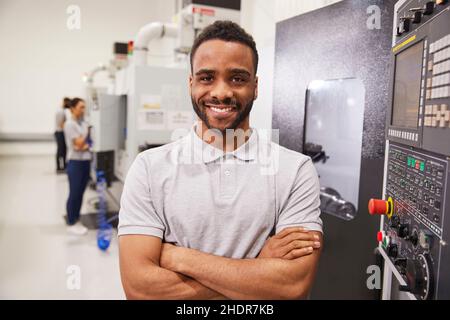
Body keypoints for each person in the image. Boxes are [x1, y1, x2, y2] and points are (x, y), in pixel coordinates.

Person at [118, 21, 323, 299]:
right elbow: (140, 289)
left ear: (255, 86)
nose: (221, 92)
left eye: (237, 78)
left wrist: (178, 257)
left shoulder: (295, 171)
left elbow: (291, 286)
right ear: (191, 84)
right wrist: (258, 269)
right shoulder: (148, 168)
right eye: (206, 78)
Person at [64, 98, 91, 236]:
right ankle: (71, 222)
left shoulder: (82, 123)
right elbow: (79, 144)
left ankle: (76, 218)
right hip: (75, 163)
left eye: (84, 107)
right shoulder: (70, 124)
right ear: (73, 108)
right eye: (81, 107)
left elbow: (83, 144)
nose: (83, 110)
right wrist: (87, 132)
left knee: (80, 193)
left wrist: (84, 143)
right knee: (74, 193)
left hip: (85, 162)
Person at [54, 97, 70, 173]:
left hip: (60, 132)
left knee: (63, 150)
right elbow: (61, 124)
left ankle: (62, 166)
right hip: (60, 132)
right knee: (61, 151)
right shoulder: (60, 112)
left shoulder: (62, 111)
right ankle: (59, 167)